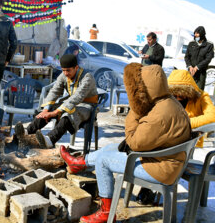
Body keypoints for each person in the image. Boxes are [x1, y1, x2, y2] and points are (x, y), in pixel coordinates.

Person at [60, 63, 191, 222]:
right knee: (111, 147)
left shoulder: (160, 114)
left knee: (103, 161)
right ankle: (79, 163)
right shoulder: (169, 102)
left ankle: (106, 212)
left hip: (160, 169)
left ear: (147, 87)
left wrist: (134, 110)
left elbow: (134, 142)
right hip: (165, 160)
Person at [135, 69, 215, 206]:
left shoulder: (202, 96)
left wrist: (185, 123)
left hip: (187, 138)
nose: (177, 97)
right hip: (167, 135)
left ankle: (154, 187)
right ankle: (150, 187)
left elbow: (211, 116)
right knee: (154, 151)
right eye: (174, 93)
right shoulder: (166, 97)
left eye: (181, 94)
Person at [15, 54, 98, 149]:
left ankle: (50, 140)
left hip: (87, 106)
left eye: (68, 70)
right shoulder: (64, 75)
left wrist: (56, 112)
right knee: (48, 111)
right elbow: (54, 91)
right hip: (71, 103)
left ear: (76, 67)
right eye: (63, 70)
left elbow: (77, 96)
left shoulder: (87, 77)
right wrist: (46, 110)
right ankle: (27, 132)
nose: (65, 73)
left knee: (68, 114)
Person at [185, 26, 214, 90]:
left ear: (202, 34)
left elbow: (208, 59)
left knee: (198, 91)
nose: (195, 35)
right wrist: (190, 66)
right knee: (188, 91)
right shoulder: (191, 44)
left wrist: (197, 67)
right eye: (195, 33)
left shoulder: (209, 45)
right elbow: (187, 57)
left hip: (201, 73)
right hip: (191, 71)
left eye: (197, 33)